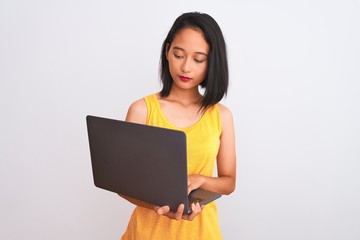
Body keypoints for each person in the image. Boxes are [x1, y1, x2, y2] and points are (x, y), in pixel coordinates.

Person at [120, 12, 236, 240]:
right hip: (147, 233)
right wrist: (158, 205)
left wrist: (201, 180)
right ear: (167, 52)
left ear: (211, 62)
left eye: (198, 59)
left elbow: (229, 182)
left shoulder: (221, 115)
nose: (186, 67)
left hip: (202, 233)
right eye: (179, 55)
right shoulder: (141, 110)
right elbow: (124, 185)